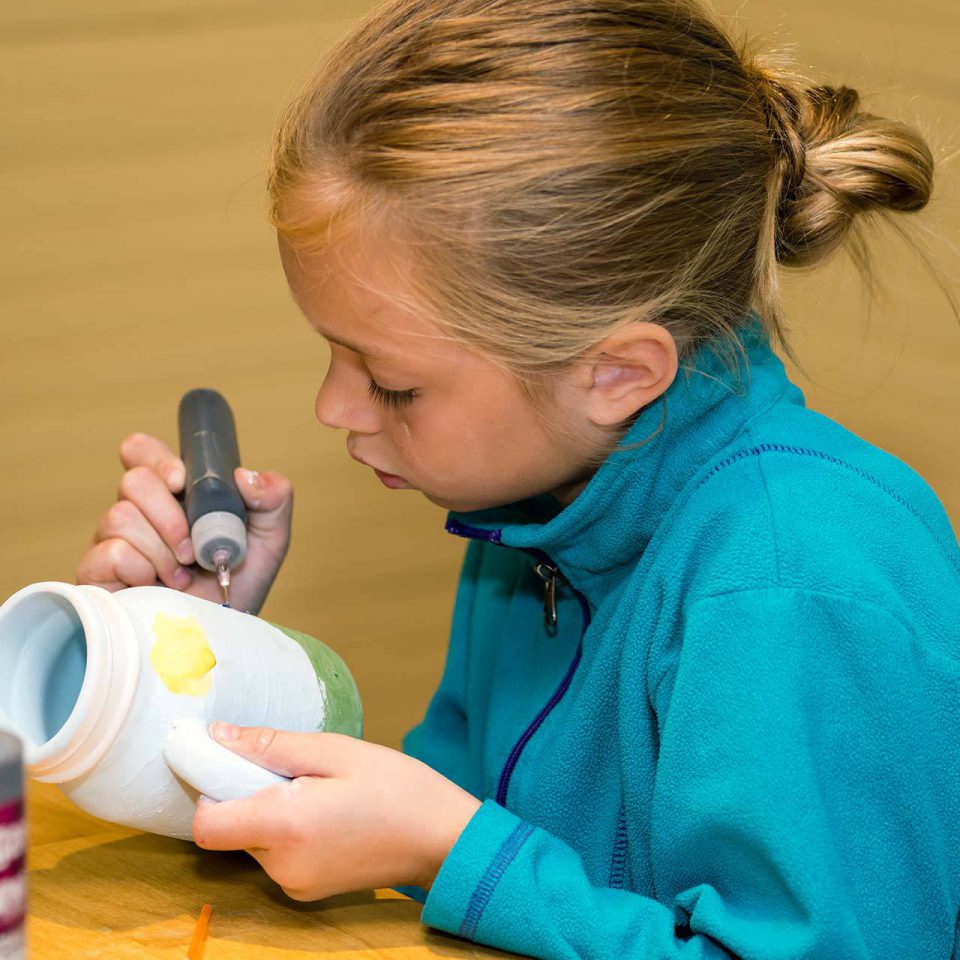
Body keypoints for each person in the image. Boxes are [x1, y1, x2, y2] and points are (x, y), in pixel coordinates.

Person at [76, 0, 960, 955]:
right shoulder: (544, 510)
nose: (334, 409)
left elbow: (468, 859)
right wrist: (197, 673)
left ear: (618, 374)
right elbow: (404, 857)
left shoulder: (793, 580)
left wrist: (451, 854)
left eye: (391, 382)